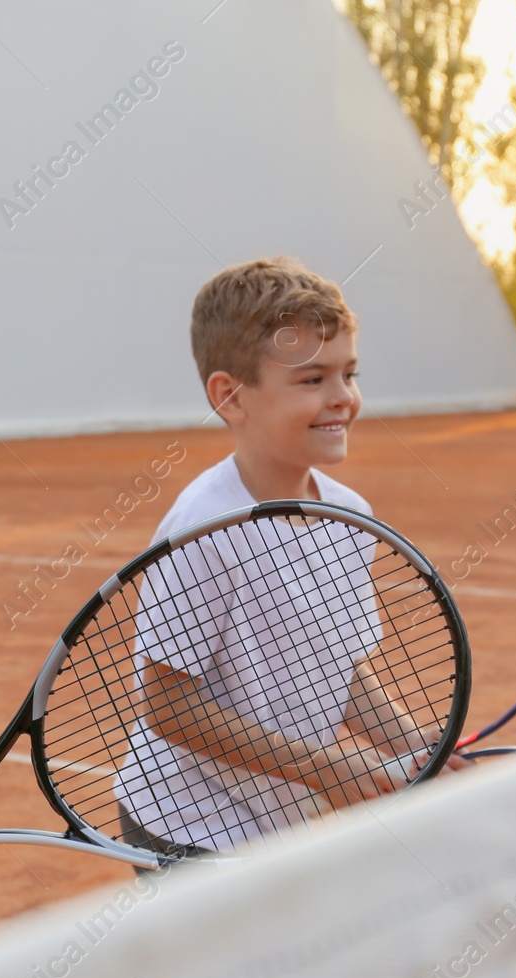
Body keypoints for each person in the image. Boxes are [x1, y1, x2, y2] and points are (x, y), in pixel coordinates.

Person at [113, 257, 465, 859]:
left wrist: (411, 746)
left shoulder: (349, 514)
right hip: (186, 828)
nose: (342, 399)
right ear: (231, 397)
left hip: (276, 824)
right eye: (311, 380)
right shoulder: (202, 526)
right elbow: (169, 706)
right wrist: (328, 770)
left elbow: (341, 668)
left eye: (348, 374)